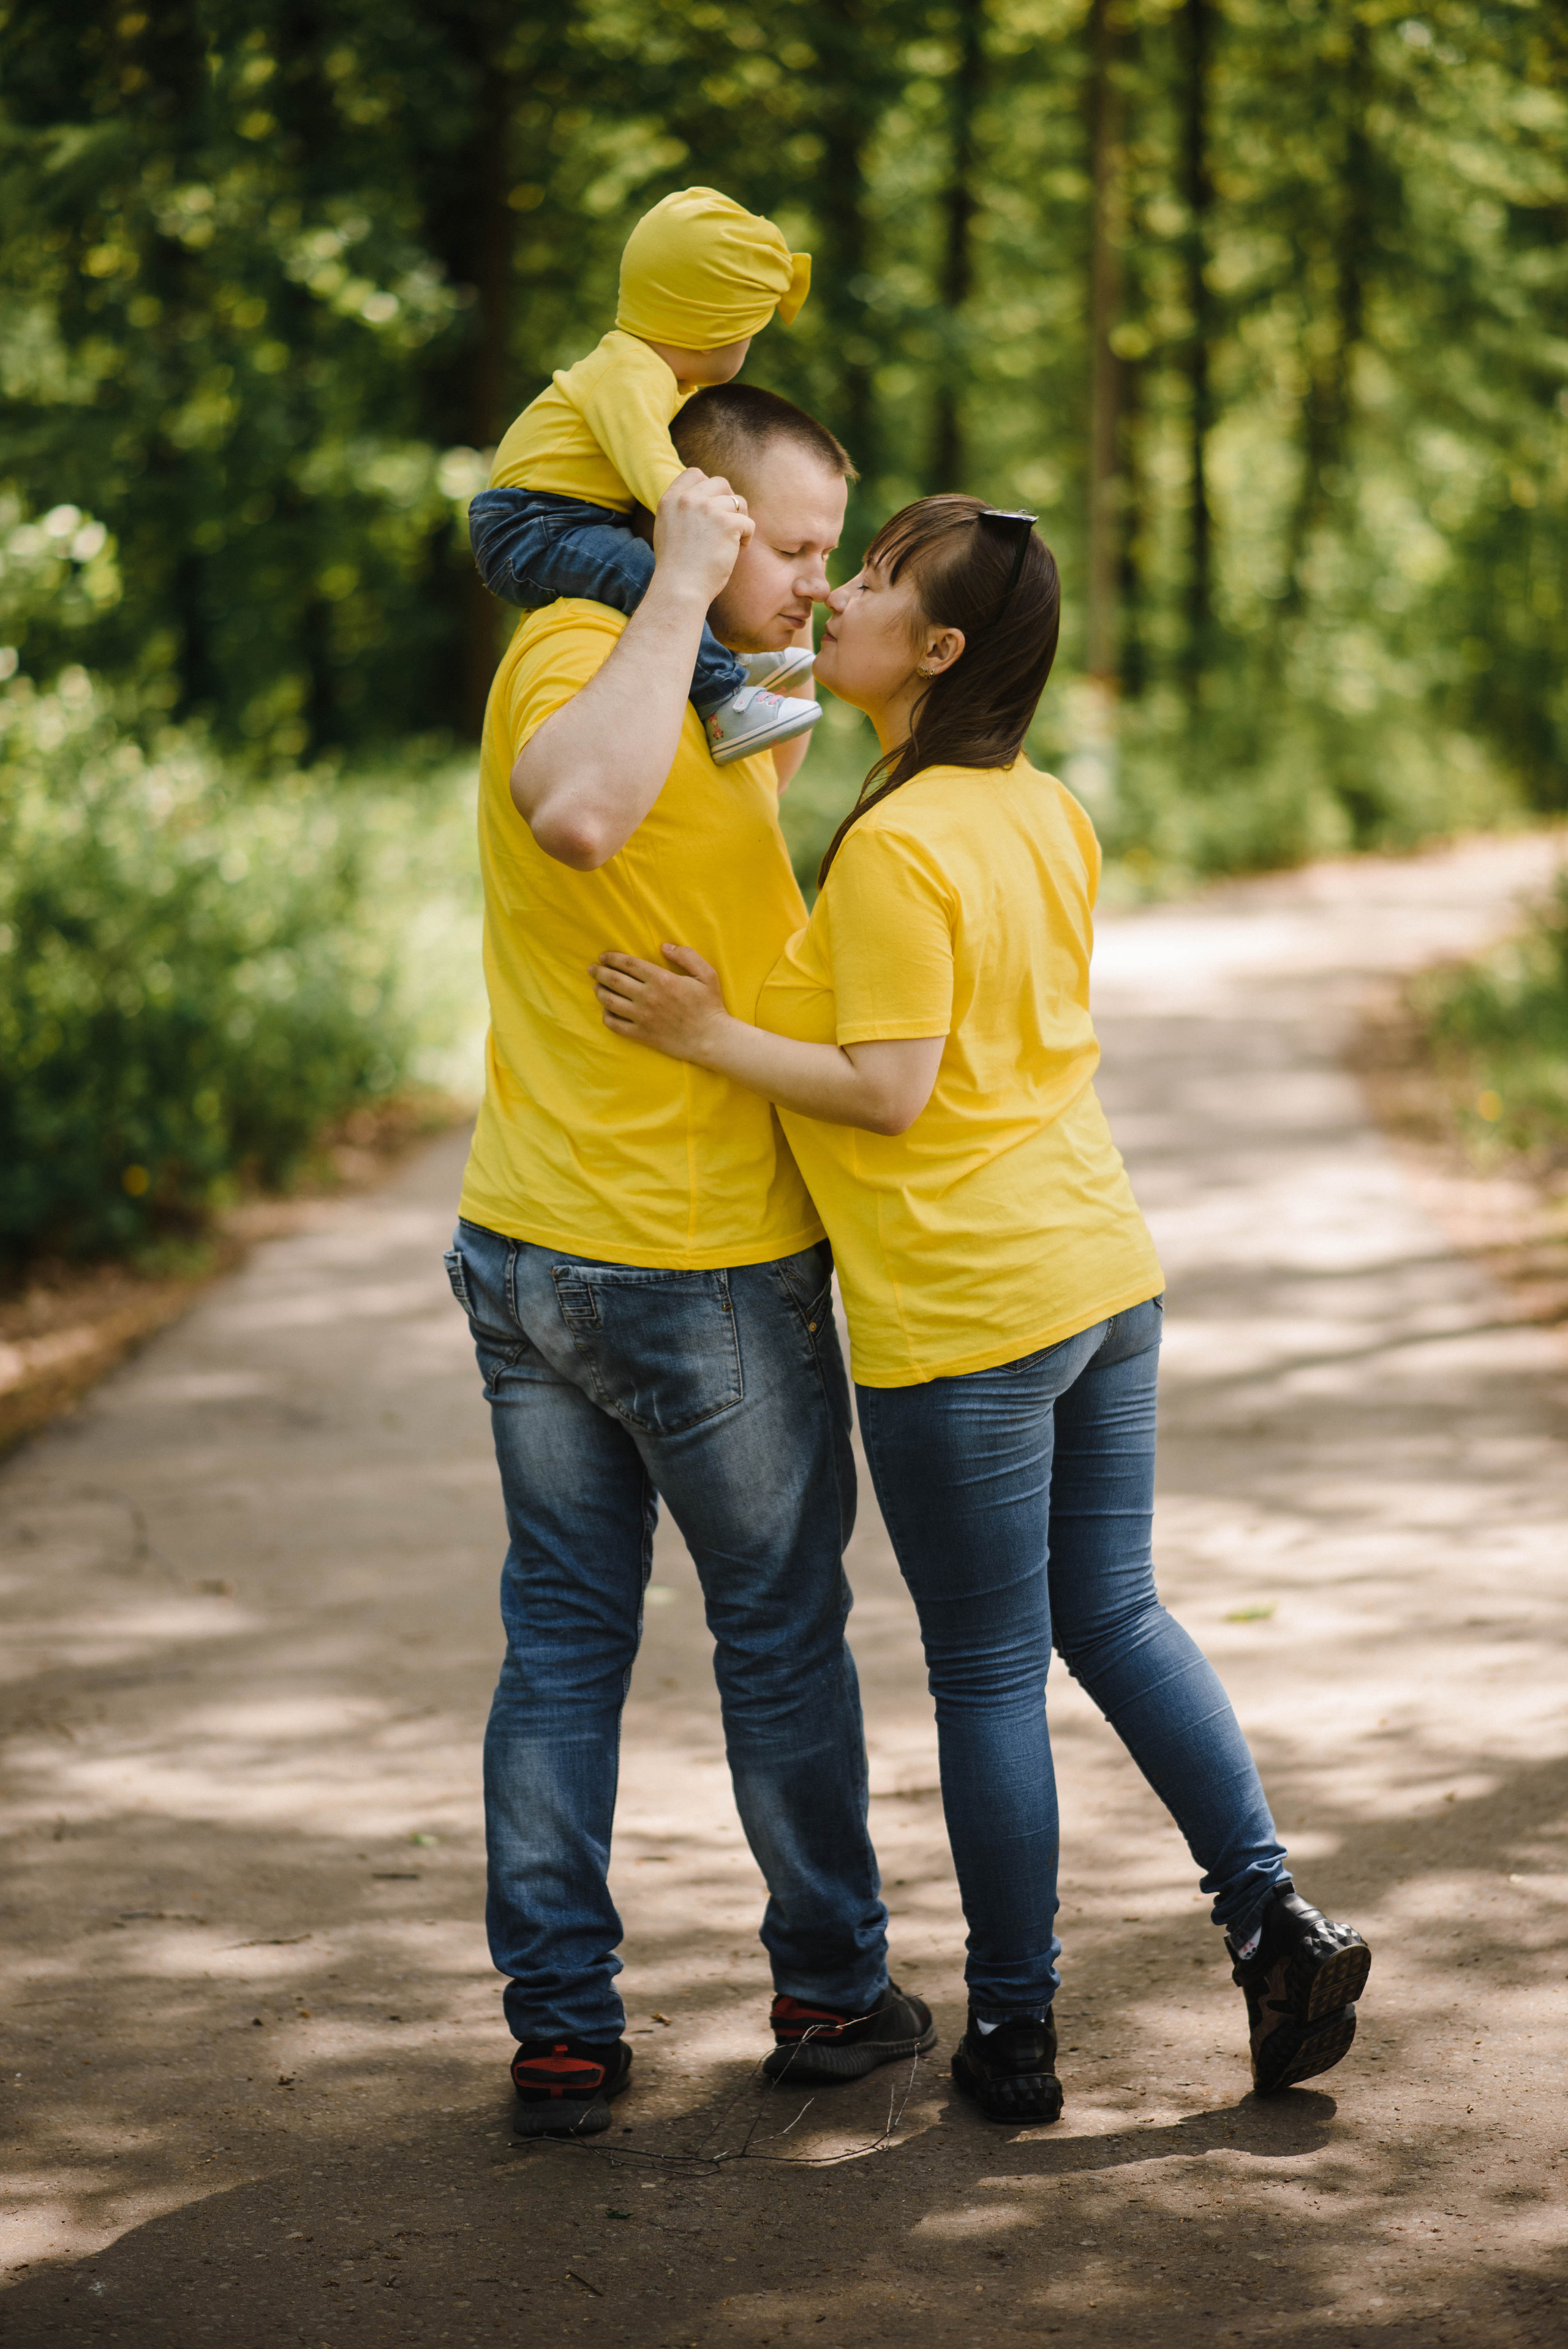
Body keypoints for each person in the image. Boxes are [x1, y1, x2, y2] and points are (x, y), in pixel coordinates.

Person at [590, 493, 1373, 2124]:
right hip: (1097, 1268)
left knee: (993, 1671)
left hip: (968, 1312)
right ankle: (1273, 1919)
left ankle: (1015, 2033)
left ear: (935, 651)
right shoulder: (1045, 809)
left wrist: (704, 1031)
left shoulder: (898, 849)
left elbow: (890, 1090)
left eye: (875, 581)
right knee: (1119, 1618)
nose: (847, 595)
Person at [446, 384, 937, 2144]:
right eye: (791, 546)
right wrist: (674, 575)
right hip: (684, 1258)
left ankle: (590, 2020)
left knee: (575, 1637)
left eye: (821, 554)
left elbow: (814, 718)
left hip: (561, 1244)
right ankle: (811, 1987)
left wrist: (822, 617)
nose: (812, 581)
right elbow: (581, 814)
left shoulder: (712, 688)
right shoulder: (589, 648)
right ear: (703, 519)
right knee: (772, 1631)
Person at [467, 185, 822, 766]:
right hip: (530, 526)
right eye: (749, 330)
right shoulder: (631, 371)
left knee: (652, 567)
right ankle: (726, 700)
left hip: (561, 518)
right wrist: (713, 514)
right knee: (647, 571)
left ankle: (719, 661)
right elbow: (650, 463)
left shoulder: (656, 377)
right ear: (715, 328)